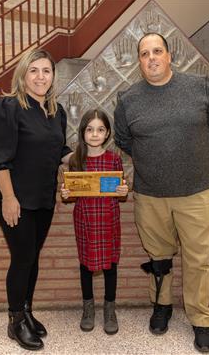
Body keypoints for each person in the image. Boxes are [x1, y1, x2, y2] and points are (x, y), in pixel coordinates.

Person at [113, 32, 209, 353]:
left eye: (157, 51)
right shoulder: (128, 98)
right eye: (144, 53)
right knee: (159, 258)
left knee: (197, 260)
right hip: (150, 195)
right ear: (139, 61)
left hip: (195, 193)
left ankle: (201, 319)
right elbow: (123, 139)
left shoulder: (200, 87)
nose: (151, 58)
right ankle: (161, 307)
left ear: (169, 55)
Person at [0, 48, 72, 351]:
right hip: (16, 199)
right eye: (33, 70)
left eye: (46, 71)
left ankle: (27, 312)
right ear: (23, 74)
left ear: (52, 76)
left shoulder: (55, 111)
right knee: (22, 259)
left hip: (43, 198)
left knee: (32, 258)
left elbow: (60, 150)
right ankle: (15, 320)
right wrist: (8, 198)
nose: (40, 77)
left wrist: (83, 163)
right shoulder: (6, 108)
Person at [60, 109, 128, 335]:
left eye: (100, 130)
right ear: (83, 133)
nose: (95, 134)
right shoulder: (77, 160)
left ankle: (110, 309)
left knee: (110, 265)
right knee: (85, 265)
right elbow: (73, 194)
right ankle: (88, 308)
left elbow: (119, 192)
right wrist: (67, 194)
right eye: (90, 129)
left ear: (107, 133)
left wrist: (122, 191)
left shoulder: (114, 159)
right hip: (85, 219)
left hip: (108, 218)